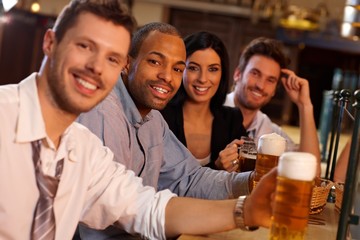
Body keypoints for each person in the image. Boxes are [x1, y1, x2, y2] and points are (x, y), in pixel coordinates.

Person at [0, 1, 277, 239]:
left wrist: (247, 210)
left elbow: (148, 208)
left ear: (121, 65)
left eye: (111, 58)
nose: (96, 67)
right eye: (85, 46)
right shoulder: (5, 116)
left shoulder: (83, 148)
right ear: (50, 42)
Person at [77, 23, 257, 239]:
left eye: (177, 69)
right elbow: (115, 214)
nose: (167, 77)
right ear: (127, 62)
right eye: (155, 62)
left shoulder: (153, 120)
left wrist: (252, 182)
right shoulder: (103, 112)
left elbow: (190, 179)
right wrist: (242, 212)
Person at [224, 37, 321, 176]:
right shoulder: (208, 111)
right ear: (238, 74)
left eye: (270, 80)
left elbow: (312, 172)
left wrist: (304, 105)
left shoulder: (271, 134)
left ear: (275, 90)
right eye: (255, 73)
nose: (260, 86)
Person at [161, 31, 247, 172]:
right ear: (180, 69)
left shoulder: (232, 119)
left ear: (222, 74)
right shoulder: (160, 116)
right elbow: (164, 179)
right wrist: (216, 168)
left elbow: (246, 175)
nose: (202, 78)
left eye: (213, 69)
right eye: (193, 68)